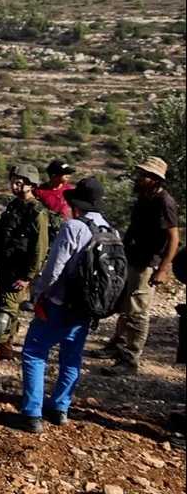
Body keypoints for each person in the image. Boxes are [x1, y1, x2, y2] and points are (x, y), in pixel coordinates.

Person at [19, 177, 112, 433]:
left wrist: (38, 294)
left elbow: (54, 270)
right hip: (87, 307)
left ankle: (32, 413)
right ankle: (60, 408)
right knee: (71, 358)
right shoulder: (110, 230)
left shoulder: (74, 227)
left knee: (34, 353)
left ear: (76, 204)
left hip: (60, 302)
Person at [101, 156, 180, 376]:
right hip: (133, 258)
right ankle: (118, 346)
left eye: (145, 175)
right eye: (141, 173)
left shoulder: (164, 202)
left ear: (155, 179)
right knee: (126, 304)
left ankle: (131, 359)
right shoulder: (144, 198)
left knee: (137, 310)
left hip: (148, 262)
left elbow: (174, 237)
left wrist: (163, 268)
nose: (140, 178)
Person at [0, 164, 50, 378]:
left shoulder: (37, 213)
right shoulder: (14, 206)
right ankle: (7, 346)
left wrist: (28, 276)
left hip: (19, 271)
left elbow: (40, 247)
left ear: (30, 185)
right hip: (5, 266)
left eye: (20, 182)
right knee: (11, 309)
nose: (14, 186)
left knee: (3, 313)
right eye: (13, 181)